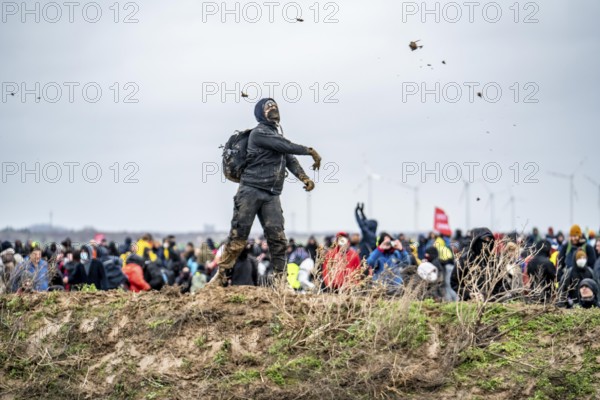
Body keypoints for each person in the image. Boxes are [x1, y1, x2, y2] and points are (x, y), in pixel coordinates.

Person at [211, 98, 322, 286]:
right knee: (238, 237)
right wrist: (310, 151)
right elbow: (286, 146)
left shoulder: (275, 136)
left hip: (271, 195)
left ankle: (281, 282)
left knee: (278, 240)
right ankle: (221, 276)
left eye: (274, 105)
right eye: (267, 106)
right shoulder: (259, 133)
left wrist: (304, 178)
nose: (272, 108)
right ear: (260, 113)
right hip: (250, 190)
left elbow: (289, 158)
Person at [451, 228, 500, 301]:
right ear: (477, 241)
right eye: (484, 240)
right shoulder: (465, 259)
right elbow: (454, 282)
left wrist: (489, 296)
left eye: (489, 240)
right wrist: (468, 294)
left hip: (490, 304)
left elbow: (501, 285)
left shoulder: (494, 261)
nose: (487, 243)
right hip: (468, 304)